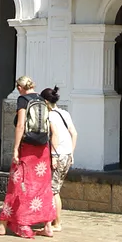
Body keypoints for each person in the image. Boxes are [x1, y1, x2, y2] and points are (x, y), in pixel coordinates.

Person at [0, 76, 56, 238]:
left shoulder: (23, 100)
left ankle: (13, 225)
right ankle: (48, 226)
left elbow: (21, 125)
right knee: (43, 186)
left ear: (19, 87)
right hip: (43, 148)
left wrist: (15, 149)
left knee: (17, 184)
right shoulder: (42, 99)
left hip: (28, 148)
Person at [41, 86, 77, 231]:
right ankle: (54, 222)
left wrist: (54, 156)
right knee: (56, 189)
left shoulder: (49, 116)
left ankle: (56, 222)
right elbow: (74, 133)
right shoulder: (64, 113)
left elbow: (54, 134)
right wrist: (71, 152)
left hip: (58, 154)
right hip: (67, 154)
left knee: (53, 190)